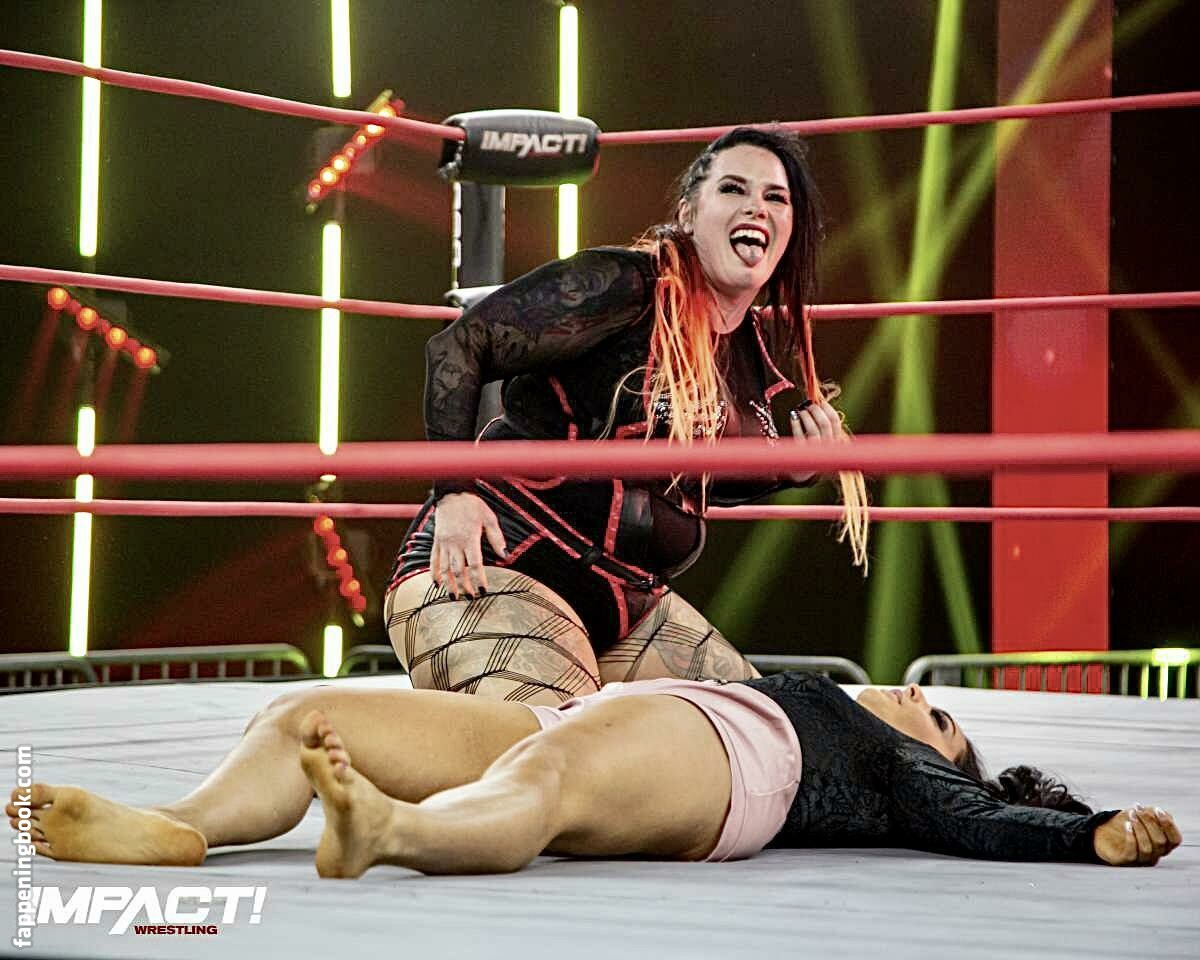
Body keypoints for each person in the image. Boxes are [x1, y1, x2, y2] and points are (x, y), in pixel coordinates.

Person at [385, 126, 869, 705]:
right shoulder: (625, 287)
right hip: (495, 566)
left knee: (765, 724)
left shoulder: (749, 355)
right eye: (733, 189)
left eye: (775, 197)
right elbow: (459, 347)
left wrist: (793, 469)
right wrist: (454, 492)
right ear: (688, 214)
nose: (756, 208)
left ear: (791, 226)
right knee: (560, 734)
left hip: (626, 607)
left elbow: (690, 475)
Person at [8, 673, 1181, 874]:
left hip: (717, 758)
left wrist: (1087, 832)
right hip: (592, 710)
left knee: (551, 780)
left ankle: (392, 833)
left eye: (942, 718)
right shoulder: (815, 692)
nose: (919, 699)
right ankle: (180, 825)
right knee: (308, 713)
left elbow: (974, 820)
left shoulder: (886, 759)